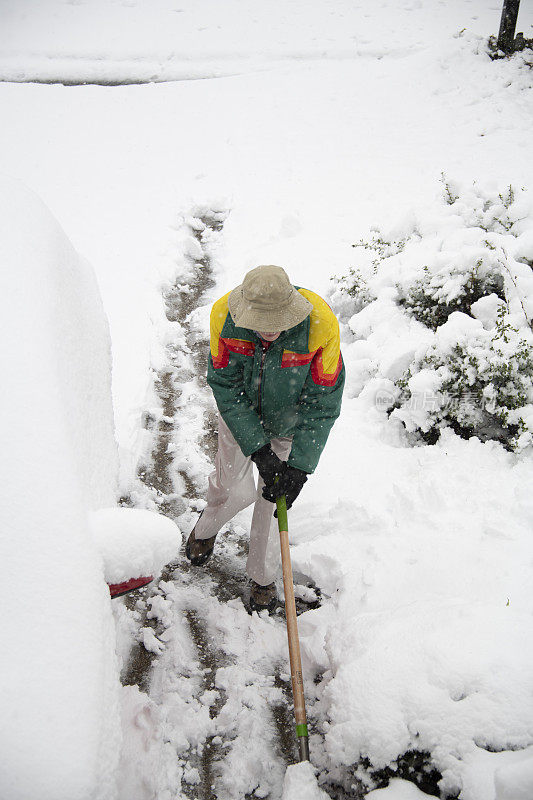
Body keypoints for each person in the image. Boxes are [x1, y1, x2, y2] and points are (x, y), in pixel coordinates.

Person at [185, 264, 345, 611]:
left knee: (276, 501)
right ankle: (205, 528)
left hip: (289, 426)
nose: (269, 333)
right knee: (232, 489)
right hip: (240, 416)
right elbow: (225, 385)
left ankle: (263, 577)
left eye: (278, 324)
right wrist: (256, 447)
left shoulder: (320, 326)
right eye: (260, 324)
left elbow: (323, 402)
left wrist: (299, 468)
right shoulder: (223, 316)